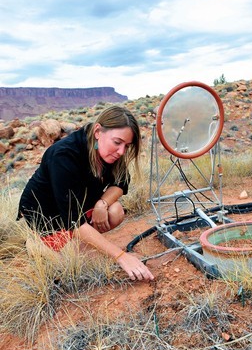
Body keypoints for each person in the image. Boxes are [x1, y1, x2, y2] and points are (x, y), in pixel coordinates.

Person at [17, 105, 154, 282]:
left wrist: (101, 203)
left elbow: (121, 183)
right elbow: (73, 221)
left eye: (127, 146)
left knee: (115, 210)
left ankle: (80, 243)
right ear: (98, 131)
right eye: (117, 142)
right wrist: (121, 256)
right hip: (48, 215)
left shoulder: (107, 151)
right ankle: (38, 245)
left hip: (79, 208)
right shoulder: (64, 155)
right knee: (86, 264)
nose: (121, 152)